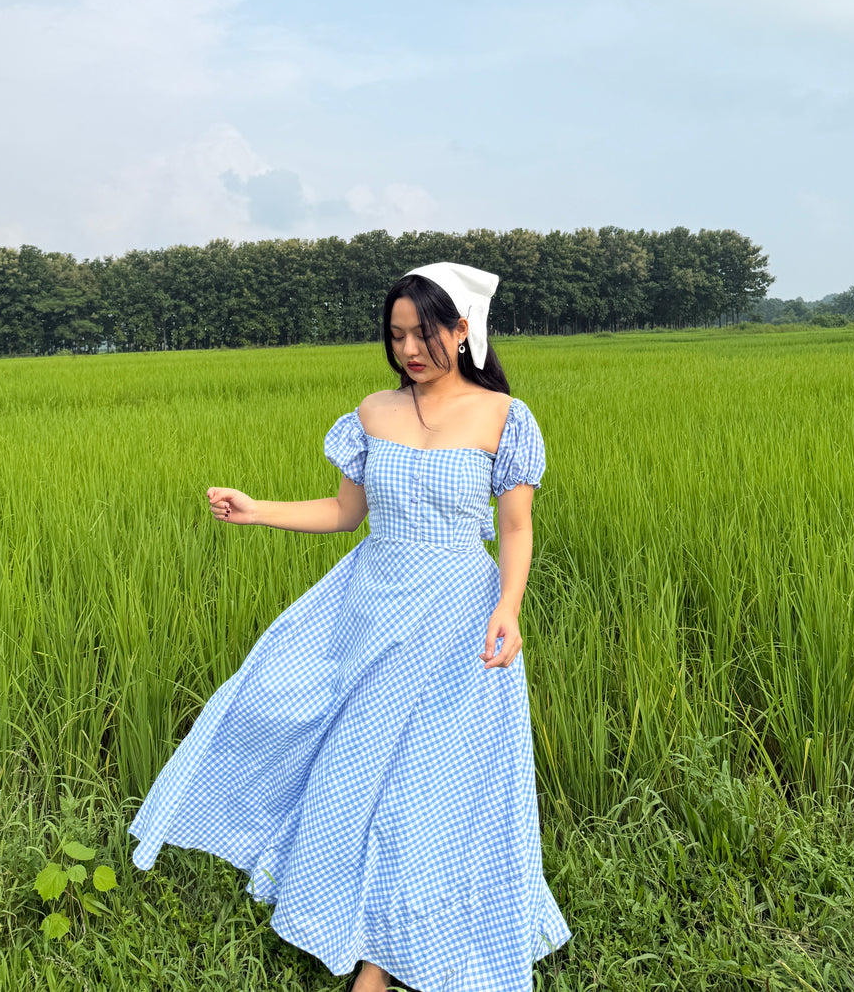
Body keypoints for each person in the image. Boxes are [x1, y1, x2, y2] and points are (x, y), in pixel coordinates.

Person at [129, 262, 572, 992]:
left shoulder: (503, 416)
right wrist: (258, 509)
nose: (410, 349)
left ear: (462, 330)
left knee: (432, 783)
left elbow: (516, 527)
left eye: (424, 333)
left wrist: (509, 605)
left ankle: (382, 960)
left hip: (459, 617)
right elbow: (344, 513)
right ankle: (353, 913)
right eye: (397, 335)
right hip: (369, 609)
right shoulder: (372, 412)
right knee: (349, 763)